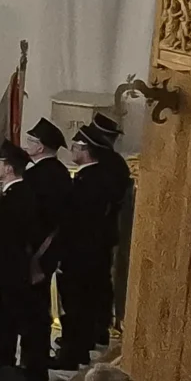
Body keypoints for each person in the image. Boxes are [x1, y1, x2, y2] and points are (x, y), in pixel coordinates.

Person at [54, 116, 131, 367]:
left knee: (78, 301)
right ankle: (86, 338)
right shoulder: (103, 173)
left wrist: (62, 251)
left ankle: (73, 349)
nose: (72, 150)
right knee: (91, 296)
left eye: (76, 146)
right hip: (97, 245)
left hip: (82, 249)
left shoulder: (90, 181)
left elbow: (76, 220)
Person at [0, 144, 52, 381]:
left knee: (2, 334)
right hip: (15, 277)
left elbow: (3, 246)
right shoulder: (24, 195)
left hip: (4, 280)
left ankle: (0, 379)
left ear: (9, 168)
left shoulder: (11, 201)